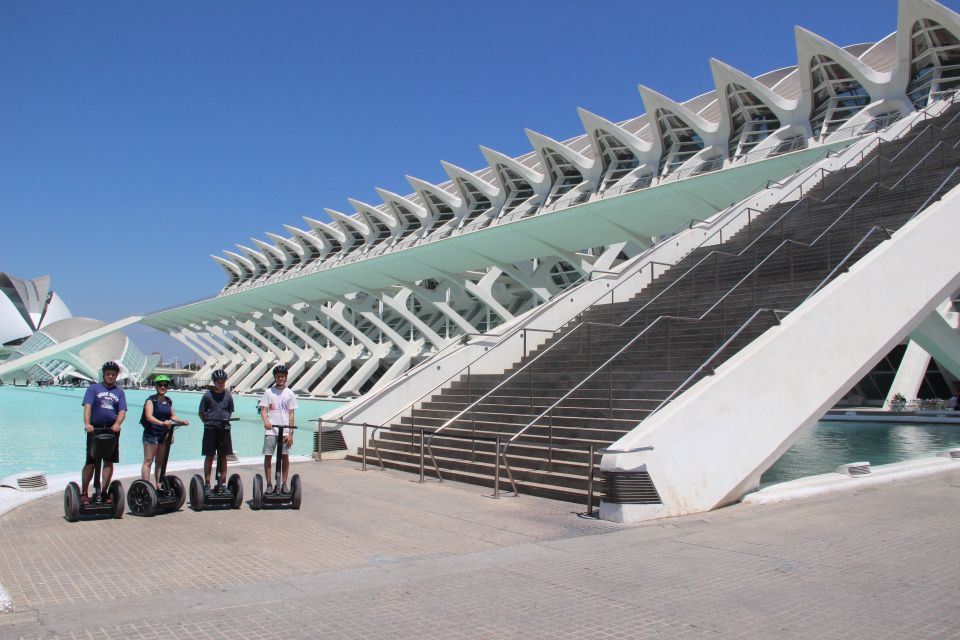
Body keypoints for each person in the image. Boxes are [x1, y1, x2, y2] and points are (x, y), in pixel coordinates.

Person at [81, 361, 127, 504]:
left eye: (113, 374)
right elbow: (88, 406)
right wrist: (87, 424)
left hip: (111, 430)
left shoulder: (119, 392)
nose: (111, 376)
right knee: (91, 461)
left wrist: (117, 424)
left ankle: (105, 491)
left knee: (108, 461)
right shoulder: (93, 388)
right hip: (95, 429)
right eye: (108, 374)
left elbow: (122, 411)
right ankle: (84, 492)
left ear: (116, 375)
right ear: (104, 374)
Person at [140, 375, 188, 485]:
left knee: (160, 462)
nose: (162, 387)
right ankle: (145, 487)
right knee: (148, 461)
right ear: (156, 386)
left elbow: (172, 416)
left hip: (163, 434)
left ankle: (158, 486)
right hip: (151, 434)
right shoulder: (151, 400)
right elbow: (149, 417)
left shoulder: (168, 401)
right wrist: (162, 423)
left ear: (167, 387)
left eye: (165, 385)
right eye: (160, 385)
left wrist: (181, 421)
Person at [259, 364, 296, 493]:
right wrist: (266, 421)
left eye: (282, 376)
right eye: (278, 376)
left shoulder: (290, 393)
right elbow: (263, 410)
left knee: (285, 457)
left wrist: (290, 433)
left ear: (286, 378)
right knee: (268, 456)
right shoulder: (268, 392)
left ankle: (284, 484)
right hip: (271, 430)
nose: (280, 378)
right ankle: (269, 484)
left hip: (285, 430)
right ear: (275, 377)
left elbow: (291, 414)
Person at [198, 369, 234, 489]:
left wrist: (225, 421)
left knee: (223, 456)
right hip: (210, 429)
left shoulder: (228, 395)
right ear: (214, 382)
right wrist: (207, 423)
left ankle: (222, 482)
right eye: (218, 381)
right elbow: (201, 413)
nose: (221, 383)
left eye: (223, 381)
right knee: (209, 455)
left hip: (224, 430)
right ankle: (207, 482)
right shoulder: (207, 396)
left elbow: (230, 411)